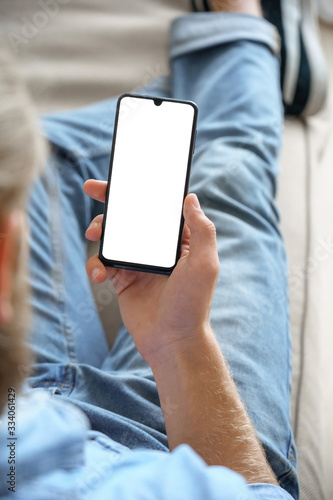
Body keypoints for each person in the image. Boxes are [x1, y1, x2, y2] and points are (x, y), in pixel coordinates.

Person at [1, 0, 316, 498]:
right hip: (150, 441)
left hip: (17, 405)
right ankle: (241, 37)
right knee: (226, 181)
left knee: (31, 157)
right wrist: (182, 341)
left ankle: (221, 69)